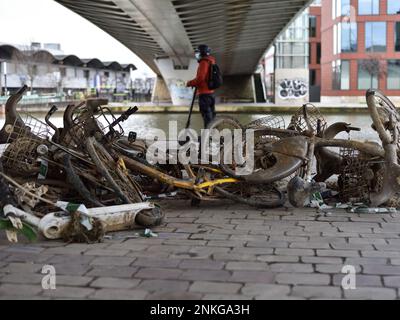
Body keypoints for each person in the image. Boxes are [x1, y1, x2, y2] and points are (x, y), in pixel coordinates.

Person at [187, 44, 216, 128]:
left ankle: (206, 137)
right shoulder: (211, 61)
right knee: (211, 115)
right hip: (211, 93)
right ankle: (211, 136)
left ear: (201, 53)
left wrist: (190, 83)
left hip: (204, 94)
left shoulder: (204, 62)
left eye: (197, 52)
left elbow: (200, 78)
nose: (196, 55)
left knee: (207, 116)